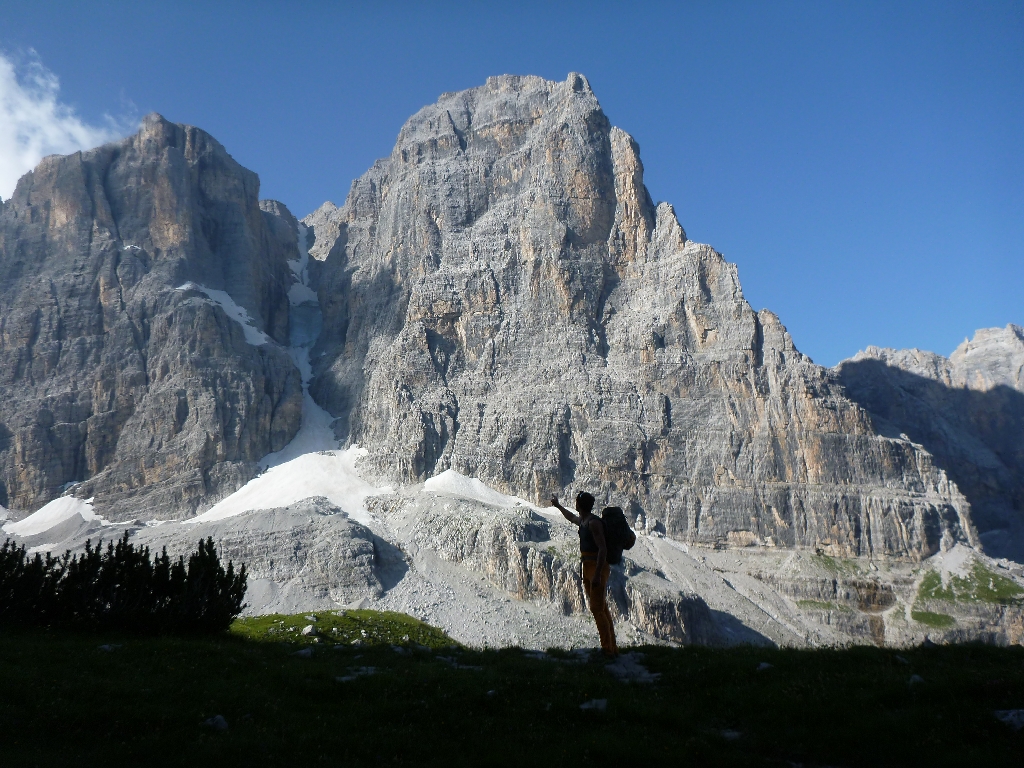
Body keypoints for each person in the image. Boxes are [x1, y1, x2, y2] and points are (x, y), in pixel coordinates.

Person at [551, 491, 617, 657]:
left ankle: (608, 649)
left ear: (580, 504)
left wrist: (597, 574)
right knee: (601, 606)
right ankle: (611, 646)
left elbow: (602, 549)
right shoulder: (584, 520)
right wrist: (558, 506)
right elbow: (571, 517)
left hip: (596, 567)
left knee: (596, 608)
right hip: (588, 566)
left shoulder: (594, 523)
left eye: (576, 502)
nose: (575, 504)